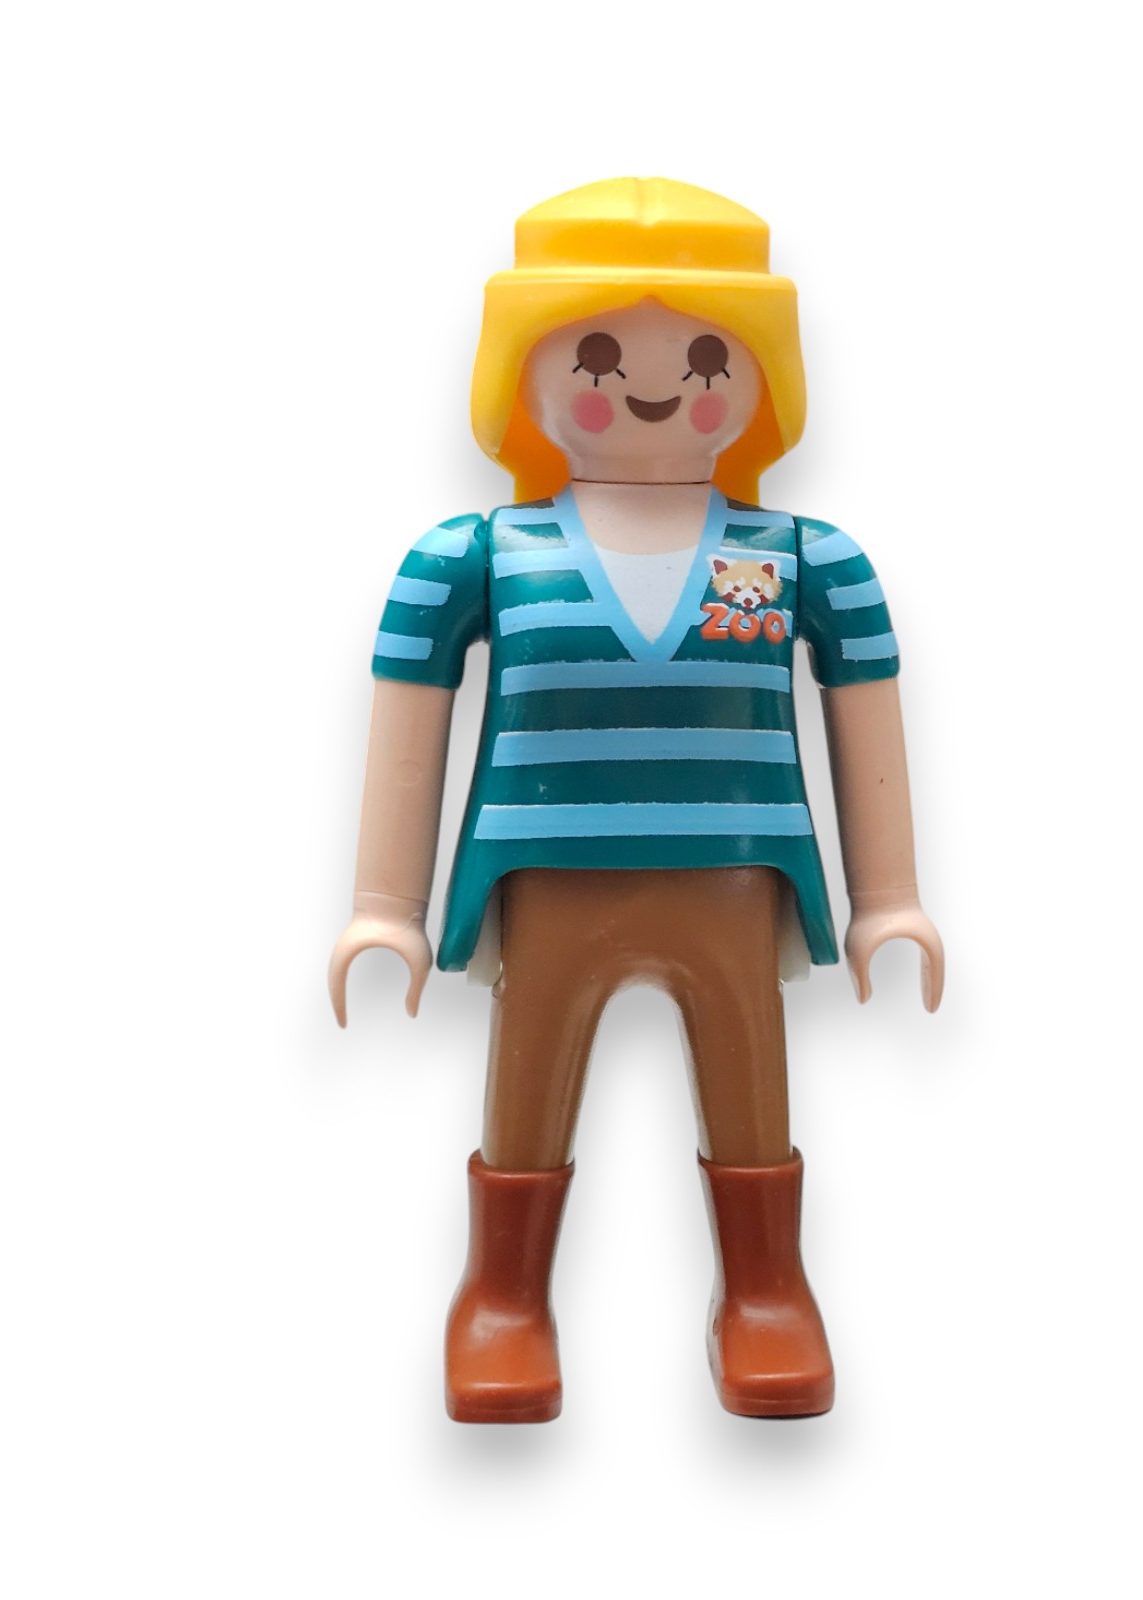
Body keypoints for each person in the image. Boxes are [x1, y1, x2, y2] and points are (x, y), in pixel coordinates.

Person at [328, 177, 944, 1423]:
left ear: (766, 377)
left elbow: (865, 707)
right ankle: (503, 1297)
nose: (656, 386)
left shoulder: (800, 558)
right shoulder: (475, 556)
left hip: (736, 874)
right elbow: (410, 717)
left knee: (750, 1082)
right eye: (598, 355)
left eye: (708, 356)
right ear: (521, 372)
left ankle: (764, 1288)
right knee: (526, 1087)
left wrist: (890, 899)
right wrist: (383, 907)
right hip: (547, 876)